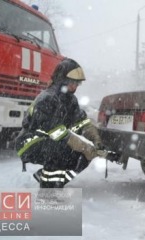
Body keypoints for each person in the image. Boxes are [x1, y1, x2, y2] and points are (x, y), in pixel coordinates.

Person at [16, 58, 117, 189]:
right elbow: (55, 131)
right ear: (61, 79)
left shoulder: (70, 100)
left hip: (51, 140)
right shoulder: (47, 98)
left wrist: (96, 140)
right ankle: (50, 192)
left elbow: (82, 123)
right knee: (59, 150)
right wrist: (84, 146)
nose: (74, 86)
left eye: (77, 83)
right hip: (29, 141)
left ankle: (53, 181)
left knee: (81, 156)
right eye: (72, 82)